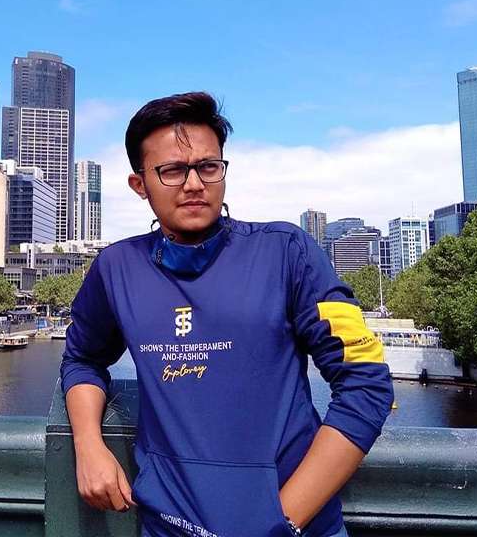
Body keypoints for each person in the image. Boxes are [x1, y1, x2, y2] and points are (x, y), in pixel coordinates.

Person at [61, 92, 394, 537]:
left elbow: (366, 384)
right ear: (140, 184)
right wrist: (88, 444)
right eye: (173, 171)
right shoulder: (116, 269)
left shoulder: (286, 252)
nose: (194, 184)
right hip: (169, 527)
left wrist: (284, 521)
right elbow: (83, 359)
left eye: (208, 167)